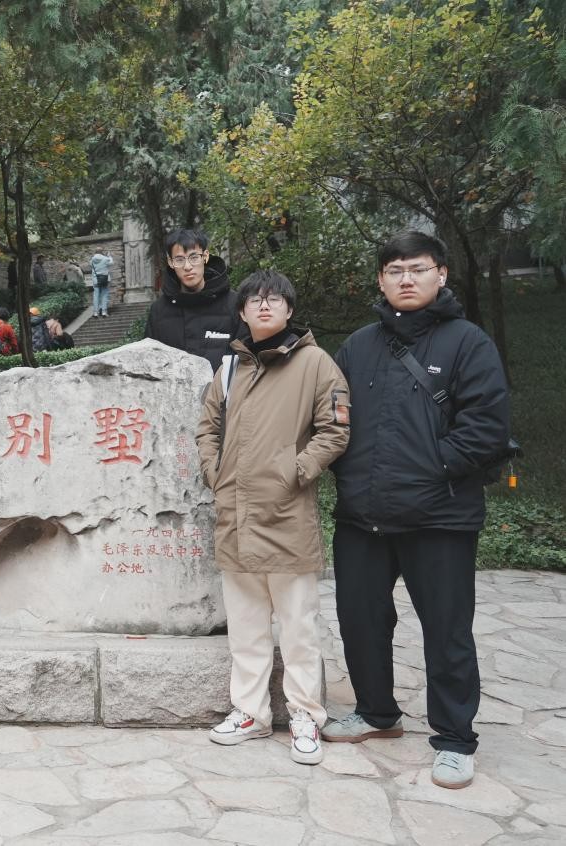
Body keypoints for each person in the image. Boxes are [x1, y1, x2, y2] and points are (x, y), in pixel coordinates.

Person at [322, 231, 511, 790]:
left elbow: (486, 428)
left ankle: (454, 738)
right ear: (381, 280)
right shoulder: (358, 346)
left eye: (418, 269)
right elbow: (331, 418)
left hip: (440, 516)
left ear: (441, 274)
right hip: (363, 516)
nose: (406, 279)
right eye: (395, 270)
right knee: (360, 619)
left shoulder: (468, 343)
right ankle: (377, 712)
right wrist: (348, 473)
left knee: (447, 630)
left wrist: (429, 470)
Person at [196, 270, 350, 766]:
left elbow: (335, 431)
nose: (264, 306)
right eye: (255, 300)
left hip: (286, 514)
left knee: (298, 627)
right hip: (234, 514)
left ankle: (305, 714)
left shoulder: (316, 363)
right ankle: (251, 712)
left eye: (275, 299)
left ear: (289, 309)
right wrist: (215, 472)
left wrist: (294, 472)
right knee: (245, 627)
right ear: (241, 311)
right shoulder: (229, 369)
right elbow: (207, 428)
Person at [146, 229, 239, 371]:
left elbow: (247, 363)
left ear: (205, 256)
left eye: (194, 257)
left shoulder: (233, 304)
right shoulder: (159, 311)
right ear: (170, 262)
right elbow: (149, 363)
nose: (187, 267)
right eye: (179, 260)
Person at [90, 251, 114, 317]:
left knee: (96, 296)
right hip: (104, 279)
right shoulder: (105, 259)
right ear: (102, 252)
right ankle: (104, 312)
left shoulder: (92, 260)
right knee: (104, 295)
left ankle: (95, 312)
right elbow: (111, 263)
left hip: (95, 280)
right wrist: (109, 256)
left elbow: (91, 265)